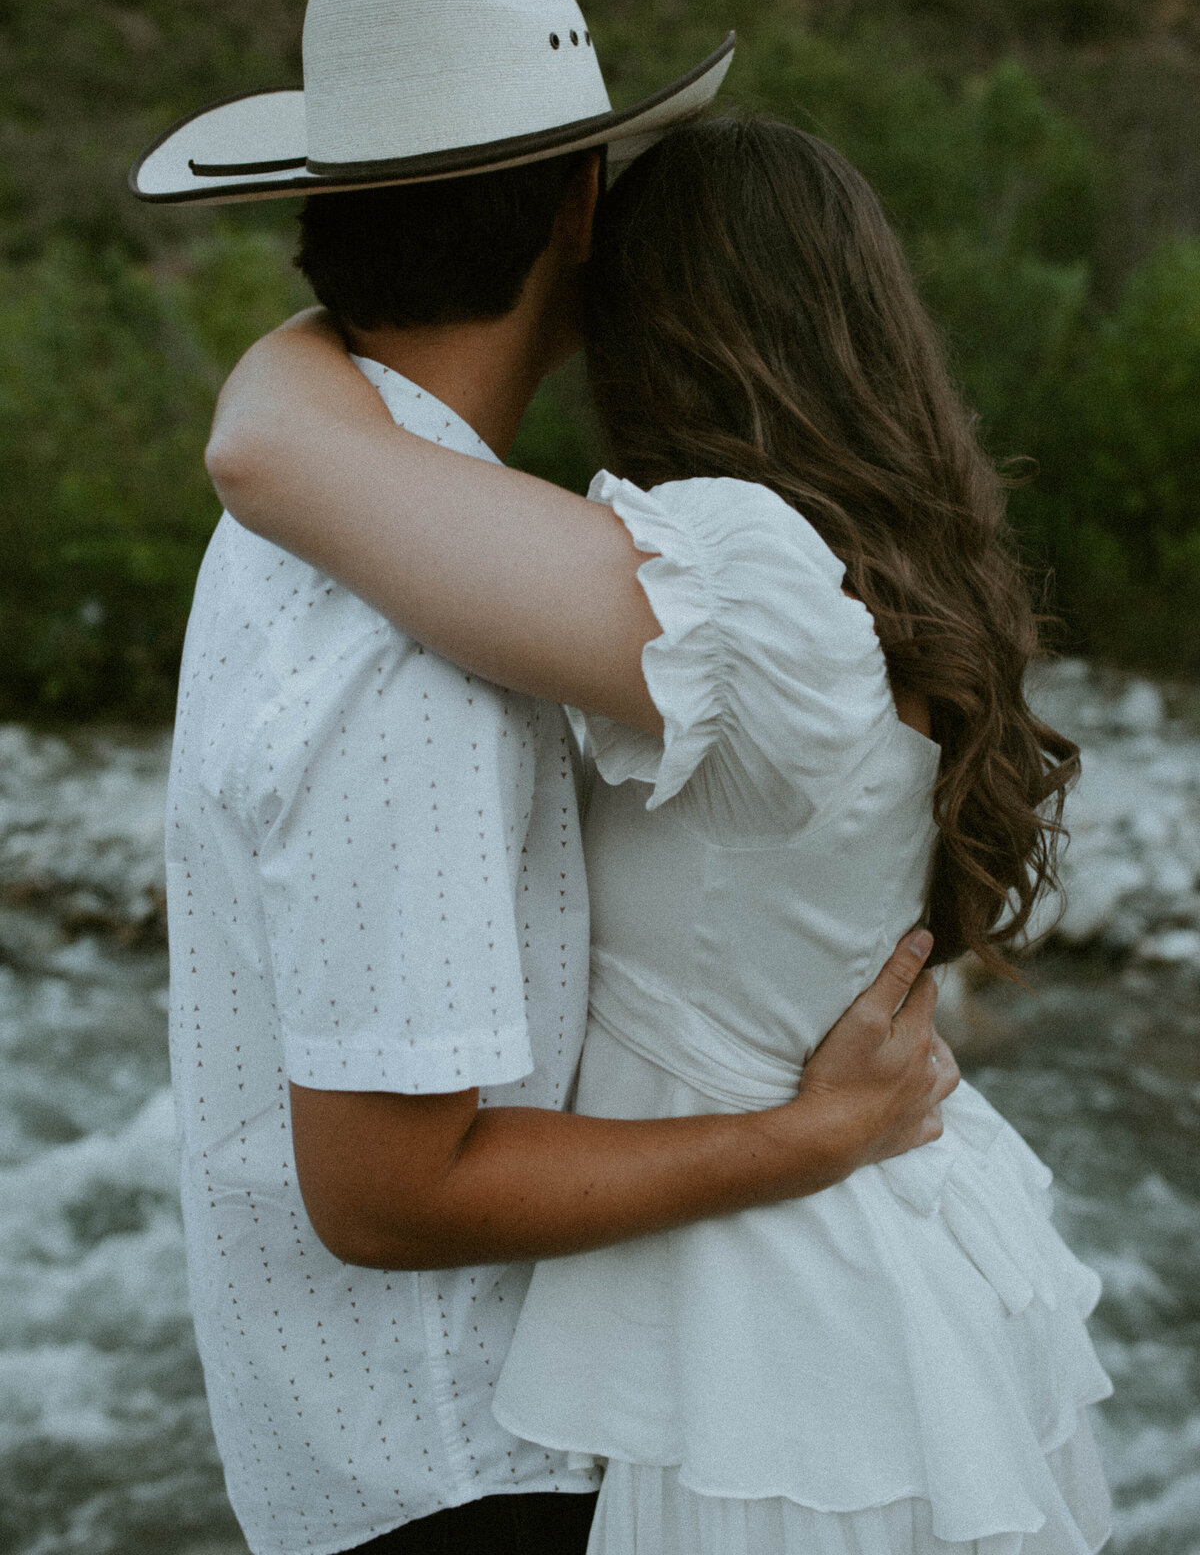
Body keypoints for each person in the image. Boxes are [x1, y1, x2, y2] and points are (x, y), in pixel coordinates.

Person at [134, 0, 958, 1555]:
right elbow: (383, 1192)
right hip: (464, 1470)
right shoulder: (427, 640)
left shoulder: (323, 513)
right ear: (581, 208)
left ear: (315, 215)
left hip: (380, 1455)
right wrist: (808, 1136)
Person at [205, 111, 1115, 1555]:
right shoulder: (859, 585)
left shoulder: (747, 582)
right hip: (850, 1260)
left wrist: (805, 1138)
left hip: (757, 1316)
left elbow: (266, 445)